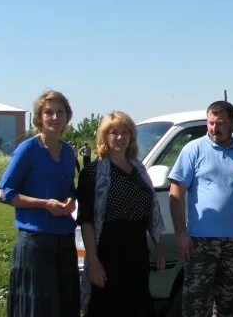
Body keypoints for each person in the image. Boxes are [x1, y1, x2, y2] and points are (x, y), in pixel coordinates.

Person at [0, 90, 80, 317]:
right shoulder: (28, 149)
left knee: (64, 305)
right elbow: (4, 192)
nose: (55, 117)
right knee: (39, 308)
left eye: (60, 112)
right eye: (49, 112)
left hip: (63, 240)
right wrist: (44, 204)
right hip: (35, 242)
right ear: (39, 118)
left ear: (67, 116)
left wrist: (71, 199)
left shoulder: (68, 151)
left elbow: (68, 187)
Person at [168, 100, 233, 317]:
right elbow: (176, 192)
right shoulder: (193, 149)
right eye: (211, 123)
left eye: (221, 123)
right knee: (195, 303)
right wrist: (181, 234)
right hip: (199, 242)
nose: (215, 128)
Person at [77, 111, 165, 317]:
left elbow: (152, 211)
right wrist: (94, 262)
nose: (120, 137)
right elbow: (87, 221)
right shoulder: (92, 172)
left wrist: (159, 246)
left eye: (125, 132)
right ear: (104, 136)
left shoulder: (139, 168)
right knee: (108, 308)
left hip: (137, 251)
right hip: (108, 253)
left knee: (138, 306)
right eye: (113, 132)